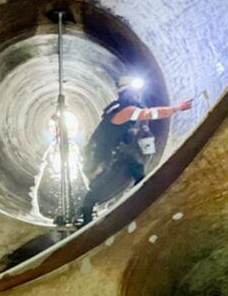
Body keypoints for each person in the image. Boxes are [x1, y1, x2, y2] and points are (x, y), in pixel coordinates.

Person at [79, 76, 193, 223]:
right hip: (102, 156)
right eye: (135, 93)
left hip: (106, 152)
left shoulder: (119, 108)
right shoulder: (127, 111)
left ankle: (140, 196)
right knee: (98, 190)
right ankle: (87, 218)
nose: (138, 96)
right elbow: (151, 113)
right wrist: (177, 108)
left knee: (135, 164)